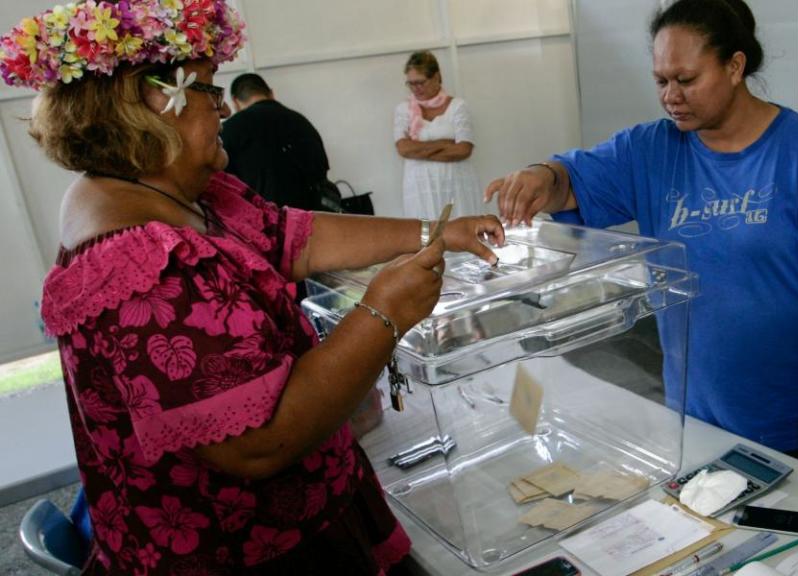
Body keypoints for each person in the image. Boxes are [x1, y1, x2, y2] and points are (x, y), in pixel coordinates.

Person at [1, 1, 503, 573]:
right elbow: (259, 442)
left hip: (307, 512)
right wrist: (383, 313)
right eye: (212, 95)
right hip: (243, 551)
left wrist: (433, 231)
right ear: (152, 104)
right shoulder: (140, 266)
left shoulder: (180, 195)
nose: (222, 112)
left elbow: (298, 237)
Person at [485, 0, 798, 470]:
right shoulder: (651, 149)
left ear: (735, 66)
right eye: (661, 80)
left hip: (792, 413)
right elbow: (572, 177)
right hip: (696, 412)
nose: (671, 95)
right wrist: (540, 176)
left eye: (687, 79)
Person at [222, 72, 341, 212]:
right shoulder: (302, 123)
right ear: (271, 93)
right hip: (310, 222)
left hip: (261, 224)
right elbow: (321, 173)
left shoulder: (229, 130)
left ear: (235, 101)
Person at [394, 50, 483, 219]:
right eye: (411, 83)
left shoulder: (458, 106)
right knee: (427, 238)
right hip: (420, 189)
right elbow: (403, 149)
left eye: (420, 82)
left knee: (462, 234)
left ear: (436, 77)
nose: (415, 89)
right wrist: (445, 144)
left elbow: (463, 150)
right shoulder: (403, 109)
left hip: (457, 185)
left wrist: (418, 152)